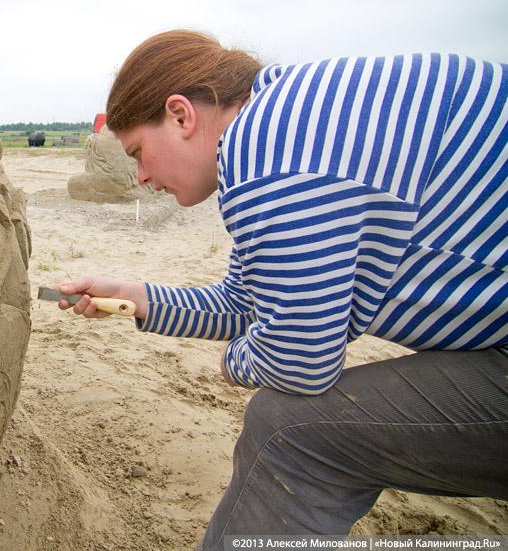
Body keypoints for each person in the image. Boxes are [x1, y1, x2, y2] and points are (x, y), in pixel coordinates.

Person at [57, 30, 507, 548]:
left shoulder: (268, 154)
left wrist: (235, 363)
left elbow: (299, 360)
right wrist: (136, 296)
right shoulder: (288, 125)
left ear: (181, 116)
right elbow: (248, 303)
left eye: (139, 151)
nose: (139, 176)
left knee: (288, 430)